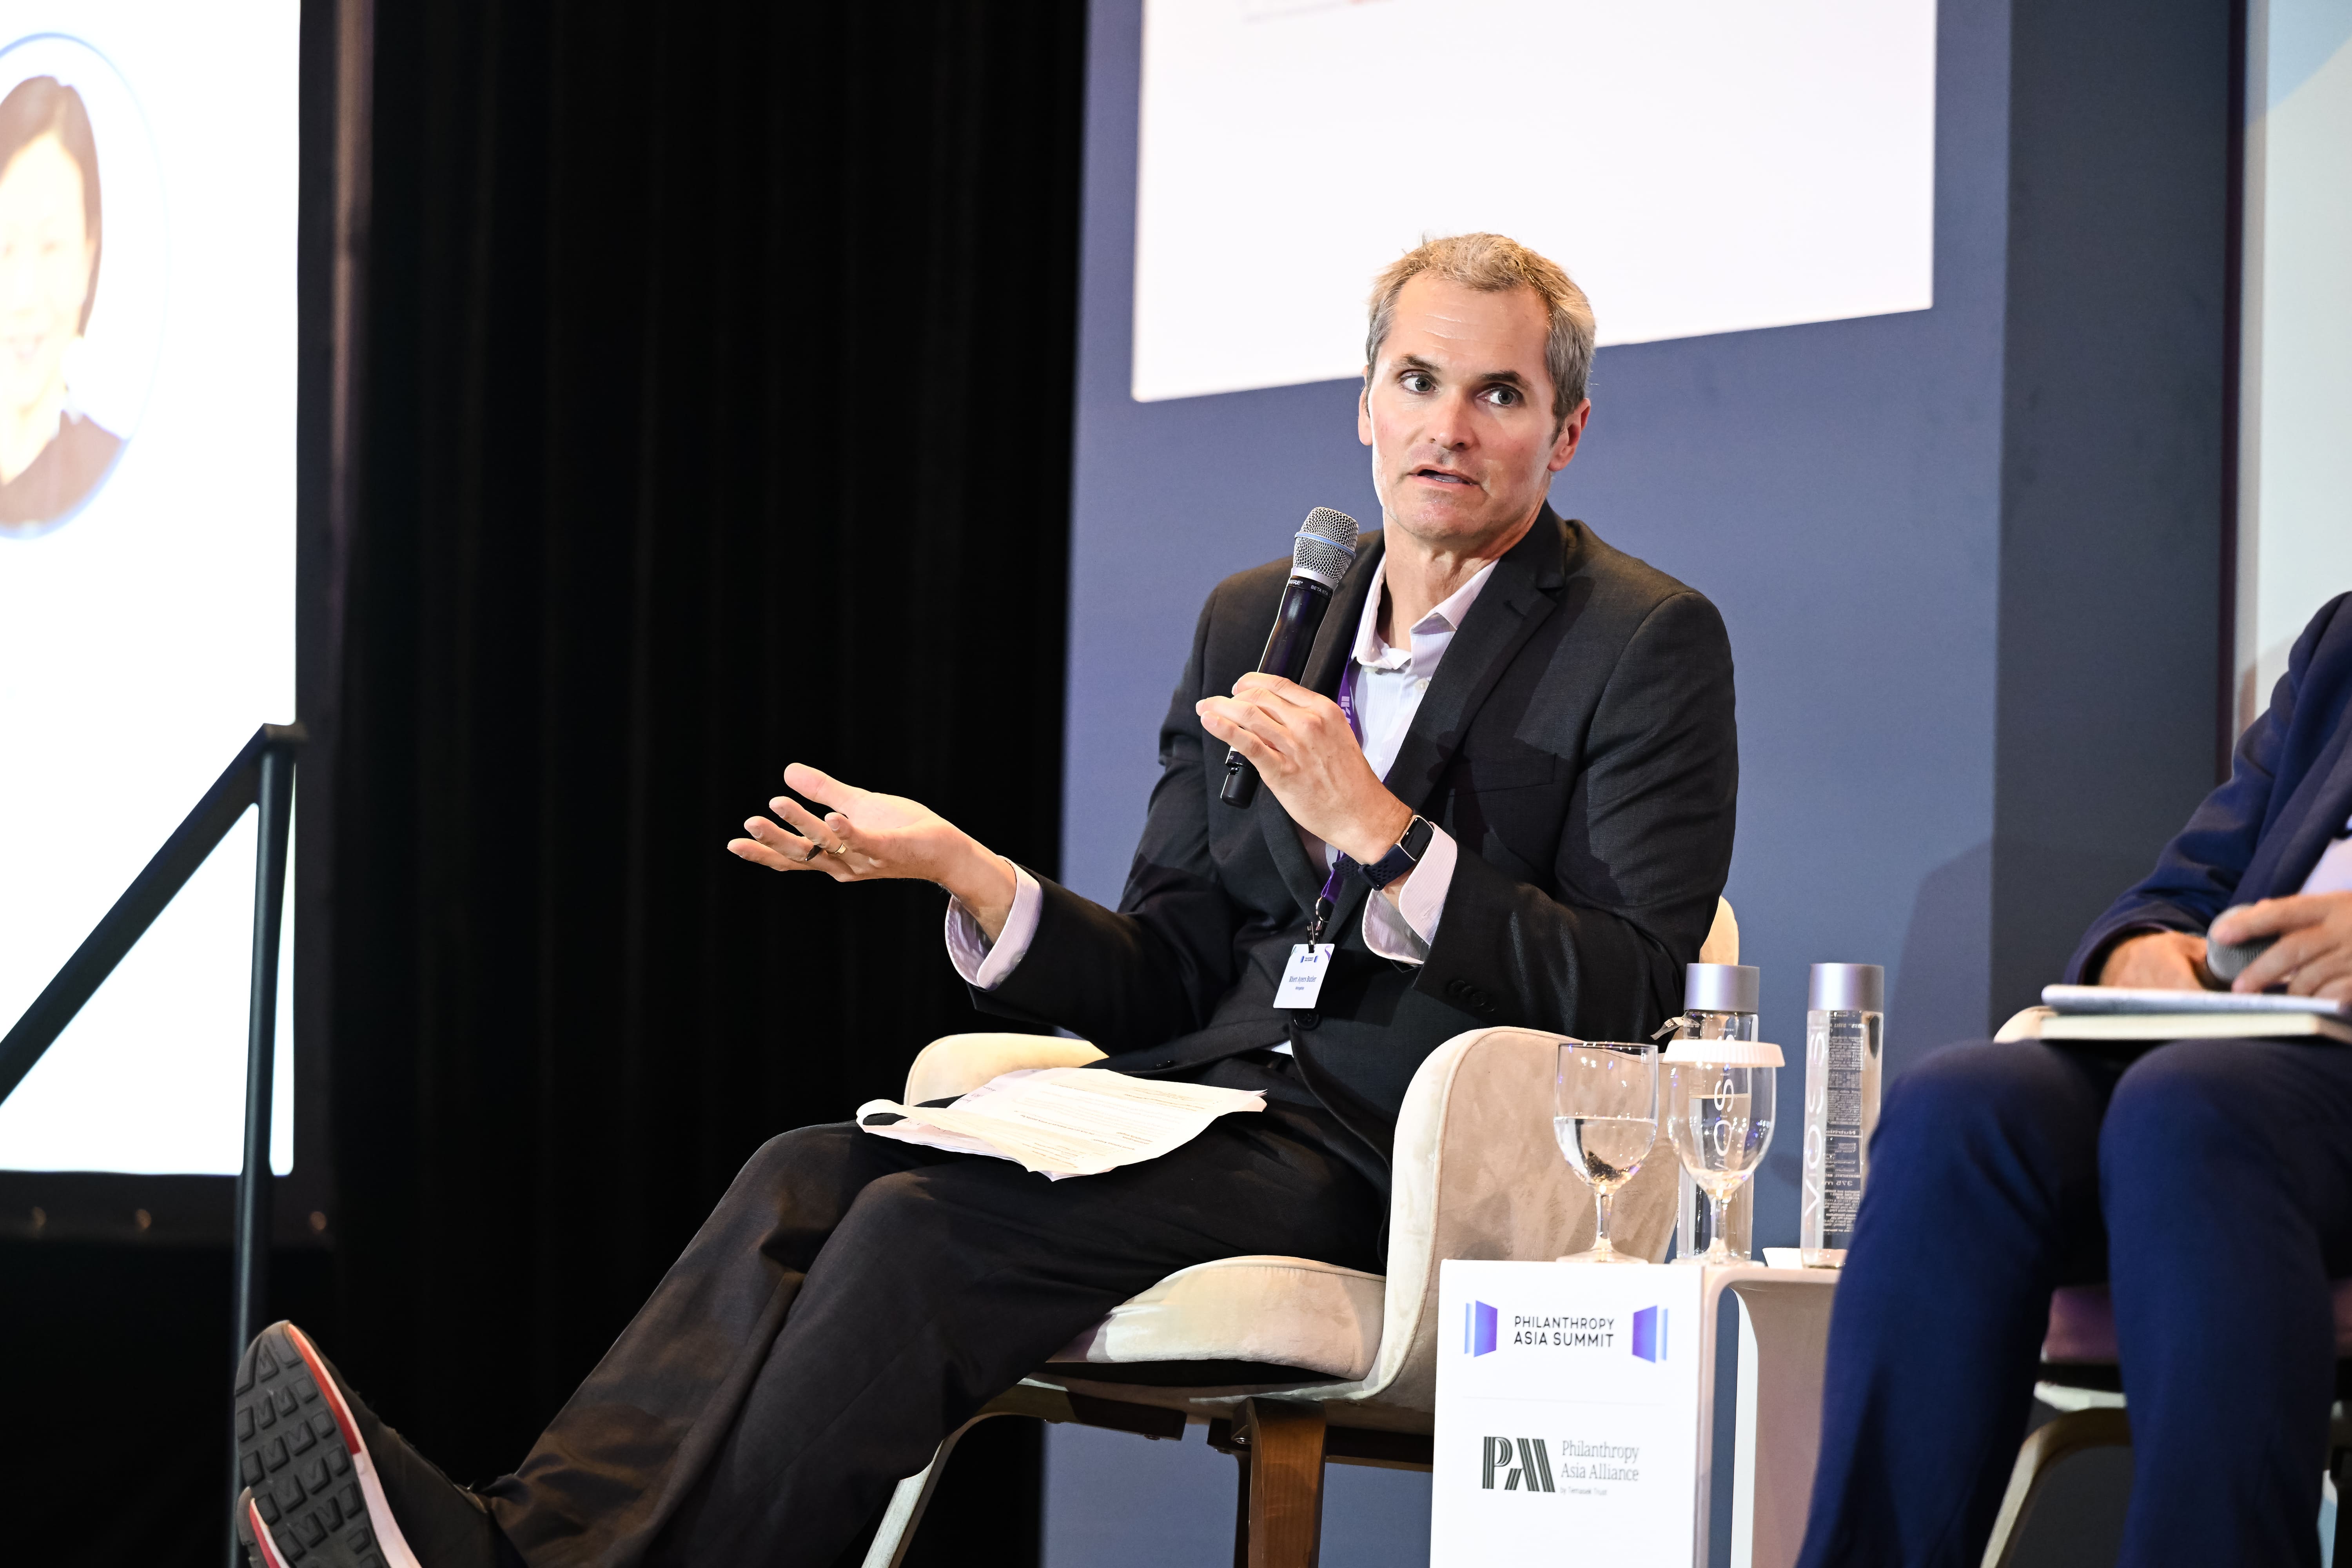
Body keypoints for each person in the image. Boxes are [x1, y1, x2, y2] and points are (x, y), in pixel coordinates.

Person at [227, 232, 1739, 1568]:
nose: (1448, 428)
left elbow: (1631, 989)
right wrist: (972, 871)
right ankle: (512, 1547)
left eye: (1497, 395)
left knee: (916, 1233)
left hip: (1391, 1152)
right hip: (1199, 1108)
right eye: (1416, 381)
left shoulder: (1643, 639)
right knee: (800, 1175)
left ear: (1566, 430)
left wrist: (1386, 835)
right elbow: (1170, 971)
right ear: (1364, 404)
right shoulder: (1261, 617)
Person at [1797, 592, 2352, 1568]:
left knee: (2186, 1107)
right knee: (1955, 1110)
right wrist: (2141, 953)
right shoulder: (2343, 641)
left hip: (2252, 1101)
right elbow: (2177, 891)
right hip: (2235, 1054)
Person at [0, 74, 120, 536]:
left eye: (51, 246)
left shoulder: (113, 473)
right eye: (5, 247)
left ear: (88, 256)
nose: (24, 295)